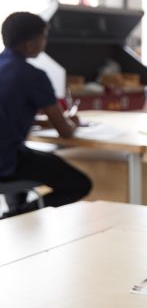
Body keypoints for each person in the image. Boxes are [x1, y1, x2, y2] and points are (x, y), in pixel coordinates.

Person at [0, 12, 91, 218]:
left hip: (7, 154)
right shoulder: (33, 75)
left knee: (31, 160)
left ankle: (17, 213)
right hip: (7, 161)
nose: (45, 42)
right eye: (44, 37)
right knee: (80, 184)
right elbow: (65, 132)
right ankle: (17, 216)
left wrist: (39, 121)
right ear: (30, 43)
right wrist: (73, 124)